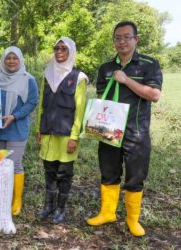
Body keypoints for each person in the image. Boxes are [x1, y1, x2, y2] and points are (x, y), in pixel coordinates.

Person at [86, 21, 162, 237]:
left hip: (136, 131)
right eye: (117, 38)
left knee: (135, 176)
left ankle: (132, 220)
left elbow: (154, 95)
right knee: (108, 172)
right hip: (109, 129)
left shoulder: (148, 64)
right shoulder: (105, 68)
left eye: (126, 37)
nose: (121, 41)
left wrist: (127, 80)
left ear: (136, 39)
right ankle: (107, 212)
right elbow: (103, 98)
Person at [36, 37, 88, 224]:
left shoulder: (78, 78)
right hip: (48, 132)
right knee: (49, 171)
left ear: (70, 52)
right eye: (56, 48)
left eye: (63, 49)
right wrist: (38, 129)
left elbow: (80, 111)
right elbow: (42, 104)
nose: (59, 52)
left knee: (64, 174)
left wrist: (75, 136)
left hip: (66, 135)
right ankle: (48, 206)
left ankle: (61, 209)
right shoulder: (47, 74)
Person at [0, 46, 39, 216]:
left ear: (20, 60)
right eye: (8, 58)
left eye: (15, 58)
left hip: (16, 127)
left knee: (14, 163)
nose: (11, 61)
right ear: (3, 60)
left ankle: (17, 201)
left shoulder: (27, 79)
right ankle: (3, 197)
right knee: (0, 163)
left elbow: (32, 102)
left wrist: (15, 116)